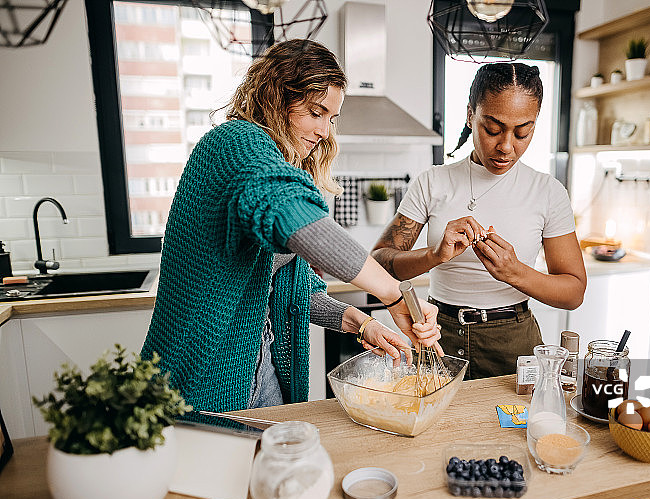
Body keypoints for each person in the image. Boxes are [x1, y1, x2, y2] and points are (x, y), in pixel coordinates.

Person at [142, 39, 441, 413]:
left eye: (331, 119)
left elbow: (293, 292)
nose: (324, 131)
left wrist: (363, 324)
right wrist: (394, 294)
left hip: (260, 370)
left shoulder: (274, 166)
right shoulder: (234, 144)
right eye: (316, 112)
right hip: (201, 373)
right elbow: (301, 224)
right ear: (277, 97)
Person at [371, 62, 586, 379]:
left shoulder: (548, 191)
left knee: (512, 415)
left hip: (513, 342)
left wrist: (515, 273)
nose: (506, 147)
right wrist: (434, 256)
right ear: (471, 114)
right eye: (493, 129)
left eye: (523, 132)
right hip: (437, 336)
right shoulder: (433, 182)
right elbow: (379, 262)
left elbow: (574, 292)